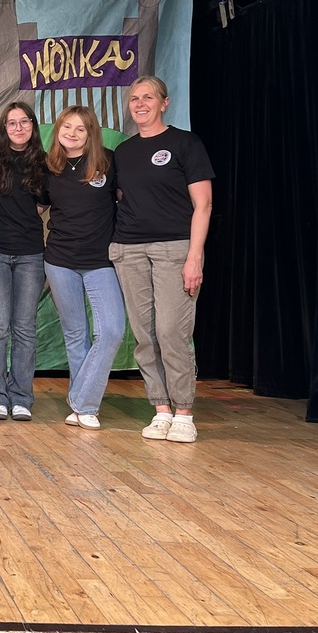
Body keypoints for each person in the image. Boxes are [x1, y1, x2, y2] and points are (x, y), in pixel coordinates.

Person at [109, 75, 214, 443]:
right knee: (145, 335)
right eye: (134, 98)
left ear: (164, 103)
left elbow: (203, 204)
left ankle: (184, 411)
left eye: (148, 97)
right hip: (129, 250)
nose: (140, 104)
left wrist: (194, 256)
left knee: (172, 332)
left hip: (174, 250)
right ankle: (161, 409)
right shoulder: (123, 152)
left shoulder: (185, 143)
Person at [43, 105, 124, 431]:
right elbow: (36, 207)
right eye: (67, 127)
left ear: (91, 133)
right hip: (60, 261)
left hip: (100, 263)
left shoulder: (108, 161)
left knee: (111, 330)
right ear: (59, 130)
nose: (72, 134)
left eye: (80, 129)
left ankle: (80, 401)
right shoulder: (49, 168)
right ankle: (85, 409)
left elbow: (126, 200)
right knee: (75, 335)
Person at [0, 101, 47, 421]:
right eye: (11, 123)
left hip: (31, 254)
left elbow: (43, 206)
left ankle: (21, 397)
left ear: (32, 125)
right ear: (3, 128)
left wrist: (19, 218)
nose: (18, 128)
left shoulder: (44, 162)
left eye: (24, 121)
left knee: (25, 329)